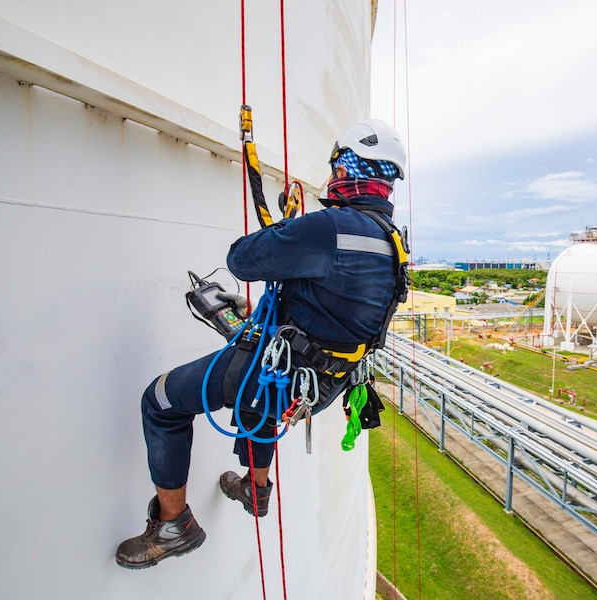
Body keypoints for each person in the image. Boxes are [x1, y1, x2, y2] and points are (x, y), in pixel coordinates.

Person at [115, 119, 407, 569]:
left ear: (347, 169)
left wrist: (292, 232)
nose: (331, 179)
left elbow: (242, 258)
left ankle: (174, 526)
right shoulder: (393, 243)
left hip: (285, 373)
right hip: (323, 382)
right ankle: (256, 488)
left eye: (336, 169)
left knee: (160, 400)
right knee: (257, 407)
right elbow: (336, 303)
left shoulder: (330, 228)